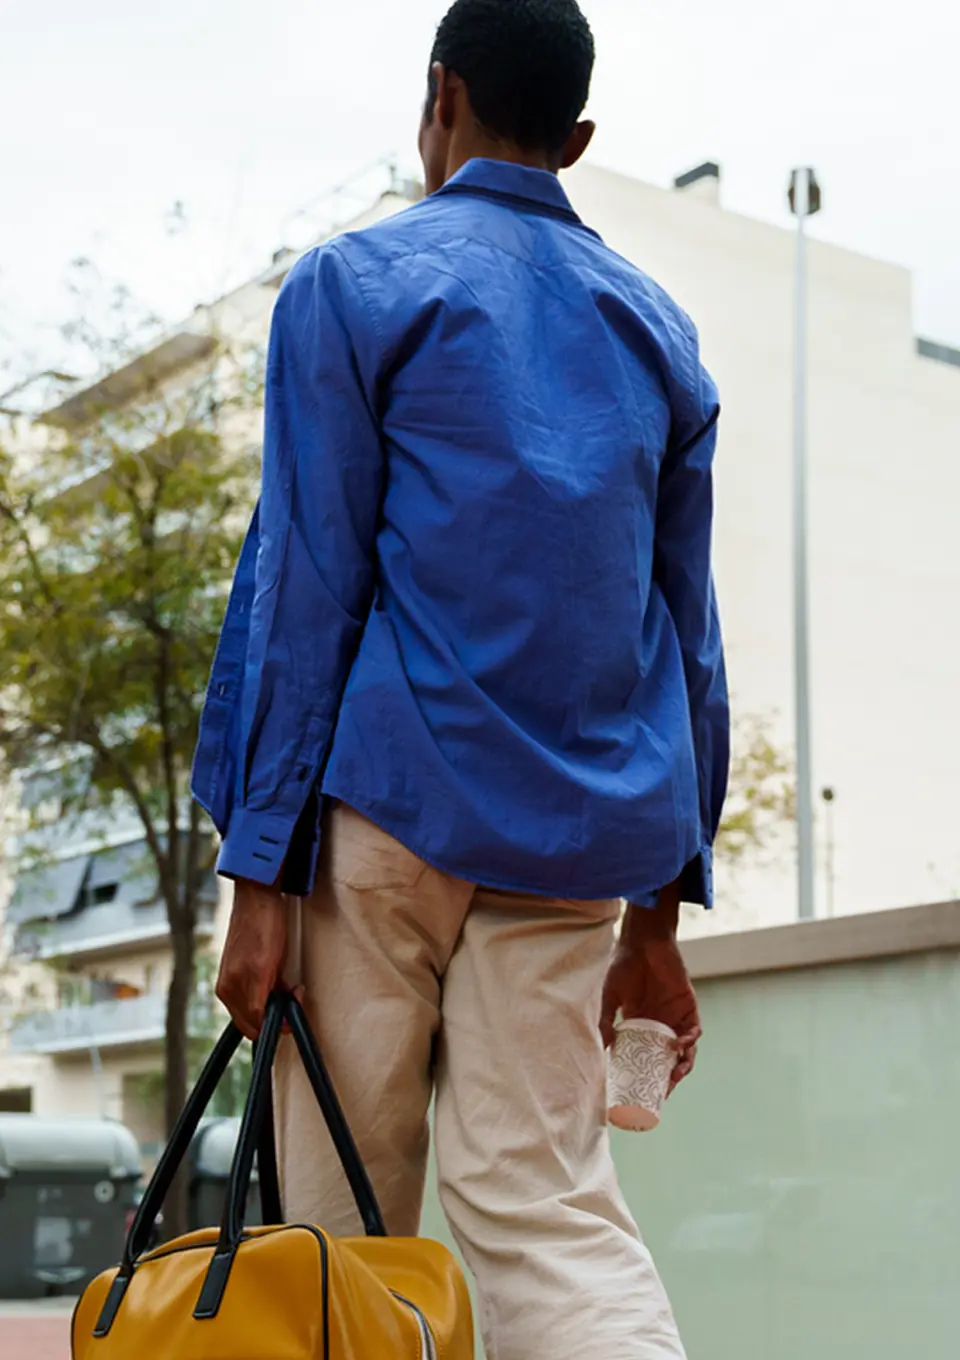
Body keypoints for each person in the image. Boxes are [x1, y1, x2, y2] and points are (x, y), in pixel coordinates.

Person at [192, 1, 728, 1355]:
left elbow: (306, 588)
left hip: (377, 822)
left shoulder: (356, 284)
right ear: (579, 137)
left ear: (440, 97)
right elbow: (687, 637)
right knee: (547, 1220)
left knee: (344, 1234)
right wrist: (658, 920)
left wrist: (258, 878)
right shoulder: (659, 332)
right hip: (572, 848)